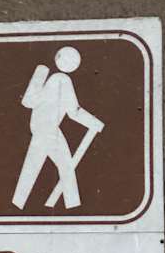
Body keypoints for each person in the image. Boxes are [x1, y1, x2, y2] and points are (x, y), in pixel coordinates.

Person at [11, 46, 104, 210]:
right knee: (65, 166)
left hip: (39, 127)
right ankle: (73, 207)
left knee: (33, 166)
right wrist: (94, 123)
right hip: (48, 129)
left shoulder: (48, 78)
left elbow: (28, 102)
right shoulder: (62, 79)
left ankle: (17, 204)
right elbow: (73, 111)